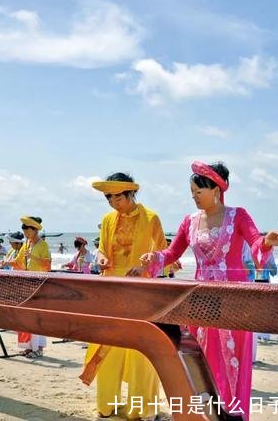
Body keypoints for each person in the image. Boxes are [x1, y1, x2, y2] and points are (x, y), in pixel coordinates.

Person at [140, 161, 278, 420]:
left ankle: (233, 414)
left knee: (233, 363)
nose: (194, 197)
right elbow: (172, 253)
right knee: (200, 361)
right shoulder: (189, 222)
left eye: (198, 191)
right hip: (200, 303)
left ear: (216, 189)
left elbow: (255, 242)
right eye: (192, 192)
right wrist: (154, 257)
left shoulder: (238, 215)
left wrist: (267, 241)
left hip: (234, 303)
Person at [81, 172, 167, 420]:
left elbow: (163, 256)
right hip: (111, 289)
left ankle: (142, 409)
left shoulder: (151, 218)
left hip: (140, 290)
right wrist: (100, 257)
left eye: (117, 197)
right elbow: (101, 248)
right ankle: (107, 404)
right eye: (108, 197)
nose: (112, 202)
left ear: (131, 193)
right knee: (109, 345)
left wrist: (145, 267)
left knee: (140, 350)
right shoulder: (108, 219)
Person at [3, 216, 51, 358]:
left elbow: (47, 265)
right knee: (25, 316)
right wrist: (7, 263)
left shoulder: (43, 245)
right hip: (26, 283)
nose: (25, 234)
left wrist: (33, 257)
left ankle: (38, 348)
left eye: (27, 231)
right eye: (24, 232)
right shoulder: (26, 244)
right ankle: (28, 346)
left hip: (38, 284)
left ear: (34, 230)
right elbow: (19, 263)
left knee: (35, 316)